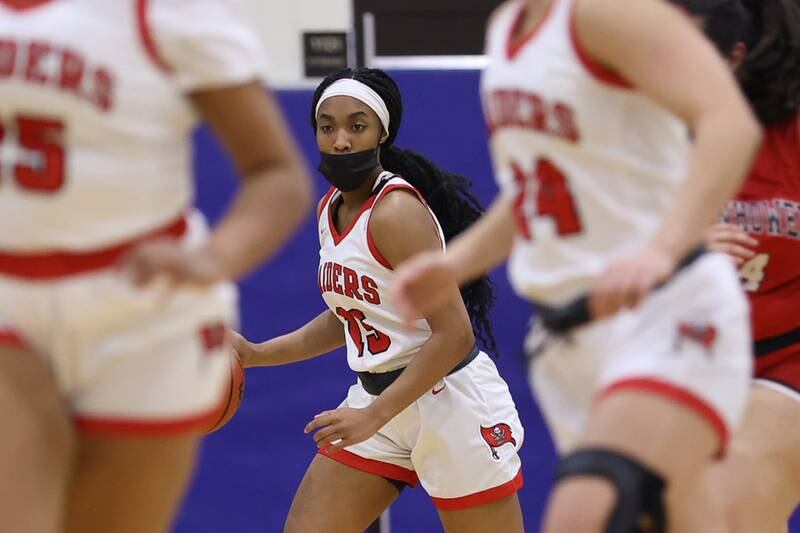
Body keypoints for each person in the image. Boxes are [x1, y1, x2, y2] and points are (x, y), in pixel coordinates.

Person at [391, 0, 763, 530]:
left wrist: (662, 249)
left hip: (665, 311)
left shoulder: (606, 12)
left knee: (586, 512)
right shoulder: (506, 29)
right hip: (571, 339)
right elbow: (533, 189)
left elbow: (730, 122)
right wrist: (456, 263)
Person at [0, 1, 312, 533]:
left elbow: (277, 176)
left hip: (143, 313)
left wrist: (213, 258)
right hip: (14, 306)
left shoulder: (165, 13)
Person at [232, 67, 525, 533]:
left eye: (356, 125)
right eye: (327, 127)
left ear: (381, 133)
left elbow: (454, 334)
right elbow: (348, 315)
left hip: (449, 399)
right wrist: (256, 353)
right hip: (378, 401)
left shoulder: (396, 212)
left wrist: (373, 416)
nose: (341, 139)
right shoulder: (330, 209)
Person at [672, 1, 800, 531]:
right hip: (681, 356)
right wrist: (677, 248)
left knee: (732, 511)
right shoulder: (649, 136)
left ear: (736, 57)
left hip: (784, 357)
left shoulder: (789, 133)